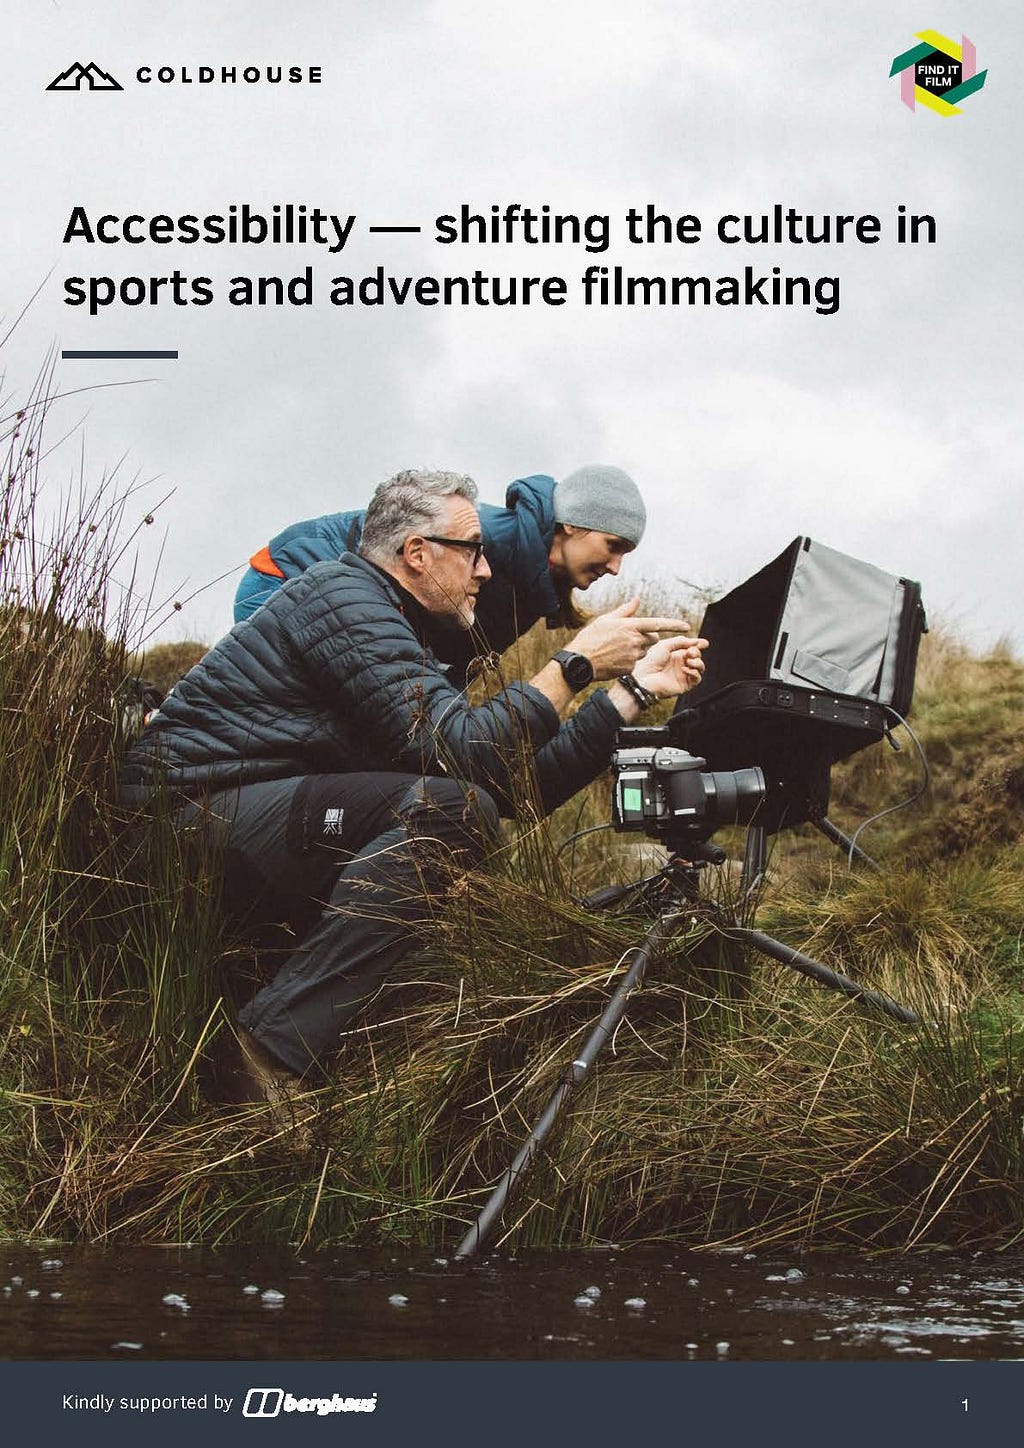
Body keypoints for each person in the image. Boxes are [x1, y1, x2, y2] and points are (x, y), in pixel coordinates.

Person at [120, 469, 706, 1108]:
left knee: (463, 810)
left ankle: (286, 1022)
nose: (486, 571)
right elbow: (466, 755)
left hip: (259, 814)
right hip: (182, 816)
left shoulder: (408, 632)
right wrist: (573, 666)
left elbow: (509, 790)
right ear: (417, 552)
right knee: (450, 811)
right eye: (473, 552)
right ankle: (264, 1058)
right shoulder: (345, 599)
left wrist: (632, 692)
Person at [233, 466, 648, 682]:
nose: (615, 568)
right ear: (572, 524)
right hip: (284, 575)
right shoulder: (490, 539)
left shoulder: (535, 584)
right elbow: (382, 561)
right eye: (614, 547)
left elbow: (461, 670)